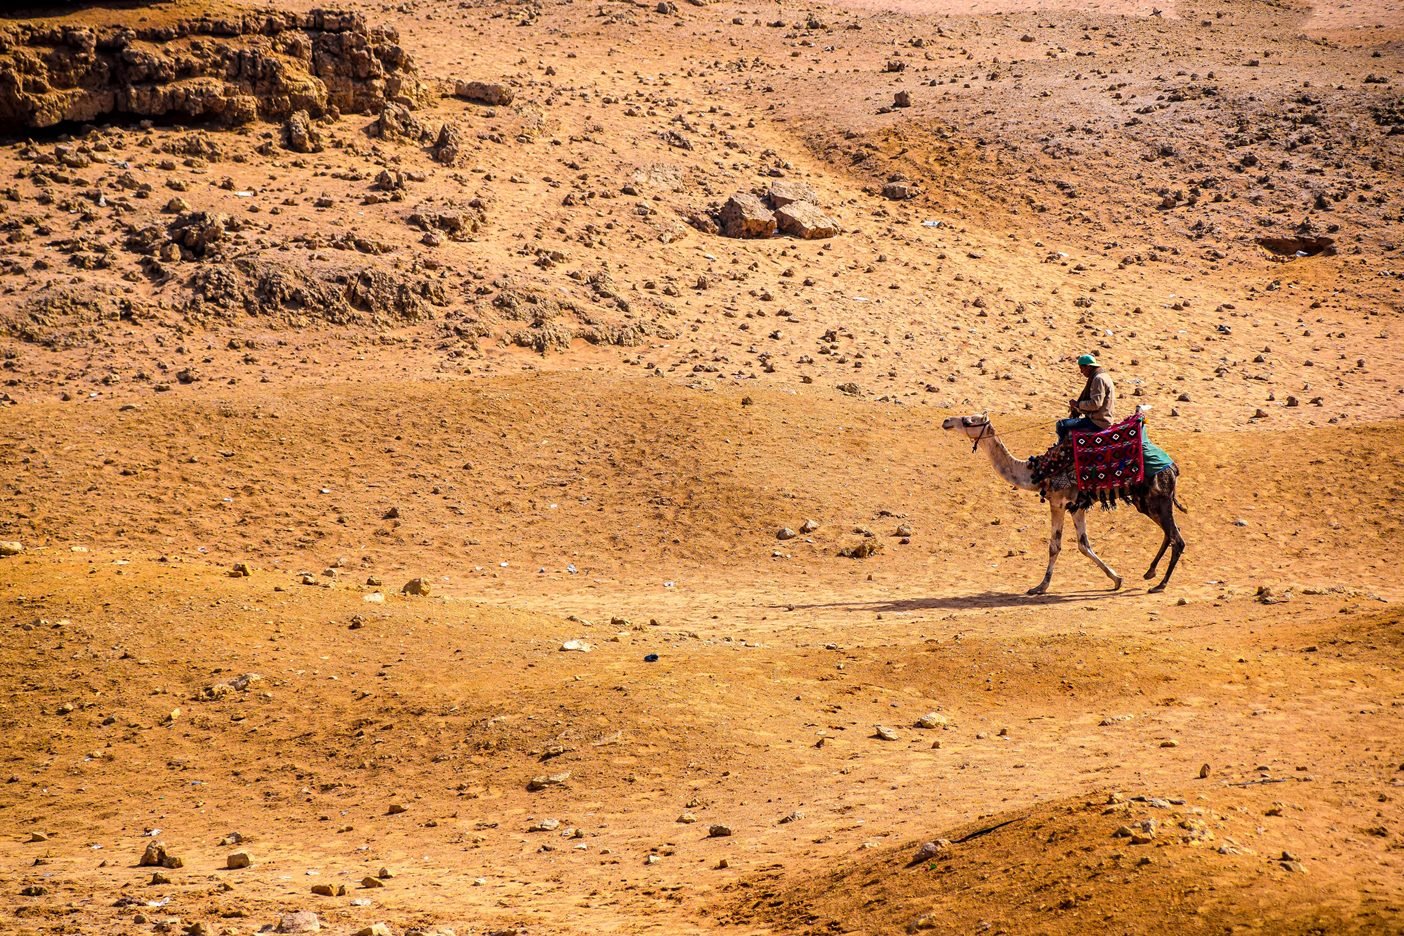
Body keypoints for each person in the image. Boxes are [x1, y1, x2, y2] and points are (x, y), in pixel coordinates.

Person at [1056, 353, 1115, 443]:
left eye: (1082, 368)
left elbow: (1096, 404)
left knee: (1062, 424)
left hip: (1099, 422)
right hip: (1101, 419)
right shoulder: (1103, 376)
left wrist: (1078, 404)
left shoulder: (1098, 379)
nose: (1081, 372)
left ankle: (1062, 451)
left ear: (1088, 367)